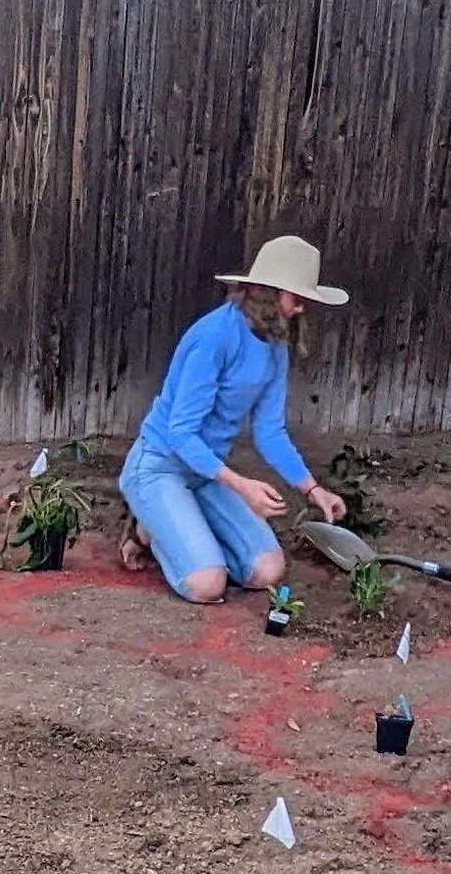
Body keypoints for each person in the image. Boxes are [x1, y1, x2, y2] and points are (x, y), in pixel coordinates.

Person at [119, 234, 349, 602]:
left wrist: (312, 489)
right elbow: (180, 434)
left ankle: (182, 524)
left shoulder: (275, 345)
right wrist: (243, 486)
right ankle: (147, 528)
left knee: (267, 570)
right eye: (298, 297)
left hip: (205, 474)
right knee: (207, 585)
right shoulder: (213, 338)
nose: (302, 308)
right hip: (160, 465)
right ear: (266, 291)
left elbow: (269, 431)